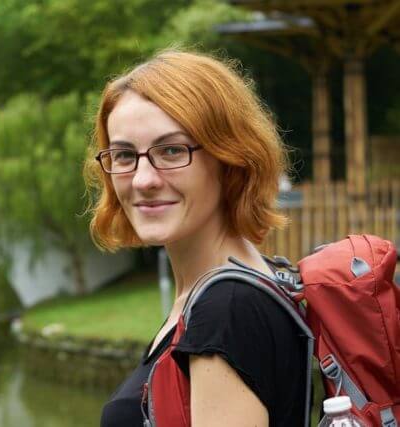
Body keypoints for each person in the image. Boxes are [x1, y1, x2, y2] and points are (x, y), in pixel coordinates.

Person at [84, 48, 308, 426]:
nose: (143, 180)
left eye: (172, 150)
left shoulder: (226, 310)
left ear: (230, 159)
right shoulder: (216, 293)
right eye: (124, 156)